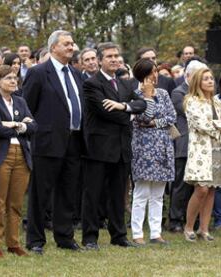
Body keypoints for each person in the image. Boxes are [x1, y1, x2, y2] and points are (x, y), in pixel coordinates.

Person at [82, 42, 148, 250]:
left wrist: (124, 106)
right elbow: (104, 111)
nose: (114, 59)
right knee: (93, 194)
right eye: (109, 56)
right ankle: (90, 237)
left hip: (121, 149)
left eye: (116, 56)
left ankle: (119, 236)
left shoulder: (126, 84)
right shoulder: (92, 84)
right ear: (100, 60)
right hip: (99, 148)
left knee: (118, 194)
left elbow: (143, 104)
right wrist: (128, 113)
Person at [24, 30, 85, 255]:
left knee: (68, 192)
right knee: (41, 193)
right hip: (47, 142)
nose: (72, 47)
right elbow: (27, 107)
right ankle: (35, 239)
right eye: (66, 44)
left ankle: (64, 236)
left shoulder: (76, 74)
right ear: (53, 48)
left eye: (72, 43)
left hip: (74, 140)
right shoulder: (39, 73)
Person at [0, 65, 37, 257]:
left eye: (15, 78)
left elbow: (34, 127)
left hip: (21, 154)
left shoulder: (20, 101)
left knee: (16, 202)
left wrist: (14, 125)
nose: (14, 81)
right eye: (8, 78)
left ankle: (13, 243)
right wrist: (21, 125)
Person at [130, 58, 176, 245]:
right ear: (142, 76)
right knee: (141, 193)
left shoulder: (164, 93)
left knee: (158, 193)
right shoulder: (134, 94)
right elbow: (142, 117)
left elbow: (171, 116)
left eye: (156, 71)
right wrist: (148, 97)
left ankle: (155, 233)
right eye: (151, 73)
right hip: (143, 147)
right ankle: (137, 233)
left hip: (163, 146)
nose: (155, 76)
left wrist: (154, 123)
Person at [169, 60, 208, 232]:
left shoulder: (204, 94)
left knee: (199, 186)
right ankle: (175, 220)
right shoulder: (179, 93)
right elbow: (191, 112)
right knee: (181, 185)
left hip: (202, 146)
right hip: (185, 144)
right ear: (188, 75)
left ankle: (193, 220)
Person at [183, 68, 220, 242]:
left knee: (211, 189)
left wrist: (215, 125)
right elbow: (201, 125)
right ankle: (188, 227)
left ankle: (203, 229)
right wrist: (217, 126)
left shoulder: (216, 102)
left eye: (211, 78)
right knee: (201, 189)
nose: (210, 81)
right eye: (206, 79)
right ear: (198, 82)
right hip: (200, 151)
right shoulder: (192, 101)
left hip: (217, 149)